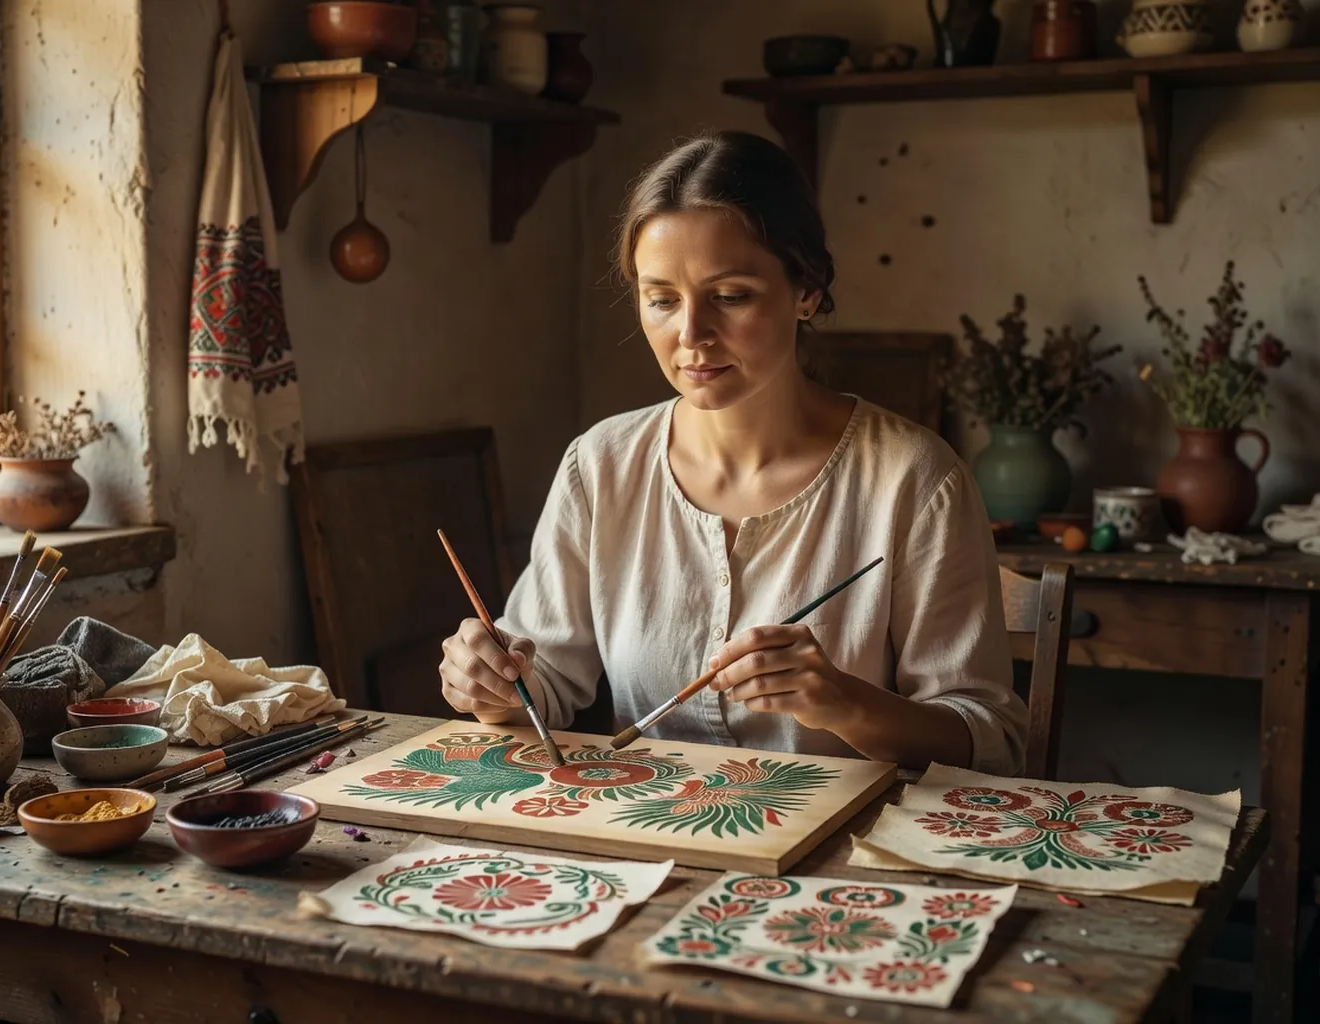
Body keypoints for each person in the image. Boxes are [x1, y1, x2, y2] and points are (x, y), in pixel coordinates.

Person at [438, 130, 1027, 774]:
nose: (691, 335)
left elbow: (991, 741)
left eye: (731, 296)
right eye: (662, 299)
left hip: (845, 854)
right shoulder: (600, 464)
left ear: (806, 290)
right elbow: (543, 683)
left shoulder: (914, 479)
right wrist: (494, 684)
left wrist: (842, 703)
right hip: (646, 839)